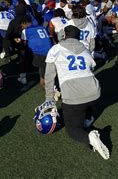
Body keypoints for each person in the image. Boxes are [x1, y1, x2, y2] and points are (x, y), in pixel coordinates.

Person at [44, 25, 110, 159]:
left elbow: (49, 76)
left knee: (73, 130)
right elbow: (92, 66)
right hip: (94, 92)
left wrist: (49, 98)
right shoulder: (85, 49)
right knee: (87, 103)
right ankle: (88, 117)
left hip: (73, 96)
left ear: (64, 35)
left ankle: (90, 138)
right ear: (79, 36)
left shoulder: (55, 49)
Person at [20, 16, 53, 88]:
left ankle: (45, 84)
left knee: (42, 67)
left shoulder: (25, 31)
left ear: (24, 23)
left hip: (40, 52)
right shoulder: (42, 27)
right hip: (50, 50)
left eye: (22, 25)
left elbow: (24, 44)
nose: (22, 27)